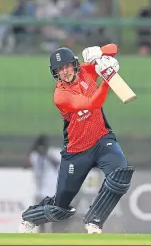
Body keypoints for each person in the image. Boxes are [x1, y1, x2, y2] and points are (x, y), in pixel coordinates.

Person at [18, 46, 135, 234]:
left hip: (102, 139)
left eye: (67, 66)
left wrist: (99, 52)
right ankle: (29, 219)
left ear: (74, 64)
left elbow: (113, 48)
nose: (65, 71)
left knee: (120, 175)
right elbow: (92, 103)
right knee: (60, 209)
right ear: (55, 73)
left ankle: (94, 221)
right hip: (77, 152)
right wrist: (107, 79)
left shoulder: (87, 70)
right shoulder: (60, 95)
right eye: (59, 69)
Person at [25, 134, 63, 233]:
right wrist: (34, 150)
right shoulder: (35, 155)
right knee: (40, 217)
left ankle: (55, 234)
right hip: (40, 191)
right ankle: (42, 235)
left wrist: (46, 154)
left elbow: (57, 163)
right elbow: (27, 164)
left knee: (53, 217)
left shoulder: (54, 152)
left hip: (53, 190)